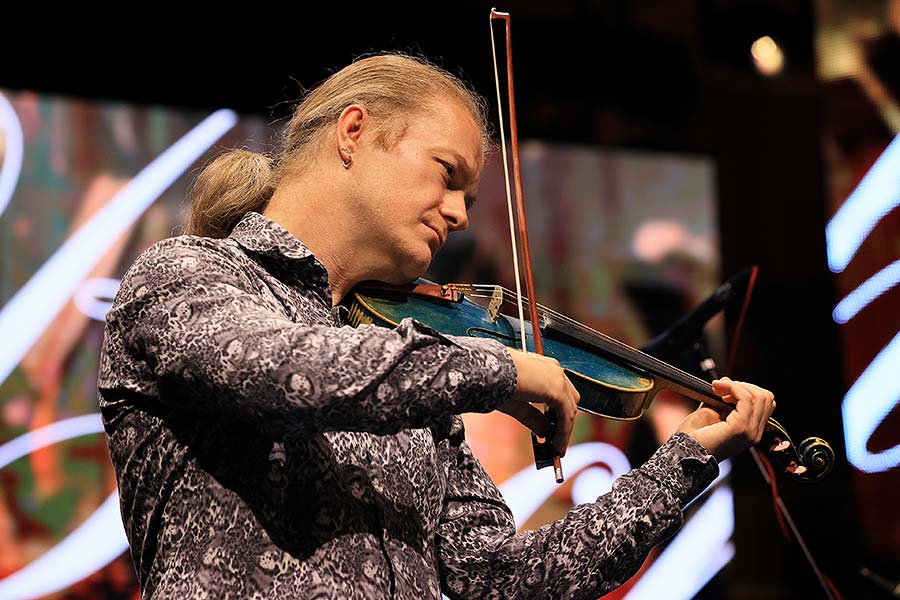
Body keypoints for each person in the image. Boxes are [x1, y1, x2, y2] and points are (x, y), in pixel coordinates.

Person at [98, 53, 776, 599]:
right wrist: (495, 367)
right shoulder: (187, 275)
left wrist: (682, 463)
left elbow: (497, 581)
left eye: (470, 197)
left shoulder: (415, 372)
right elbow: (288, 370)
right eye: (447, 175)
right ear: (354, 132)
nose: (458, 213)